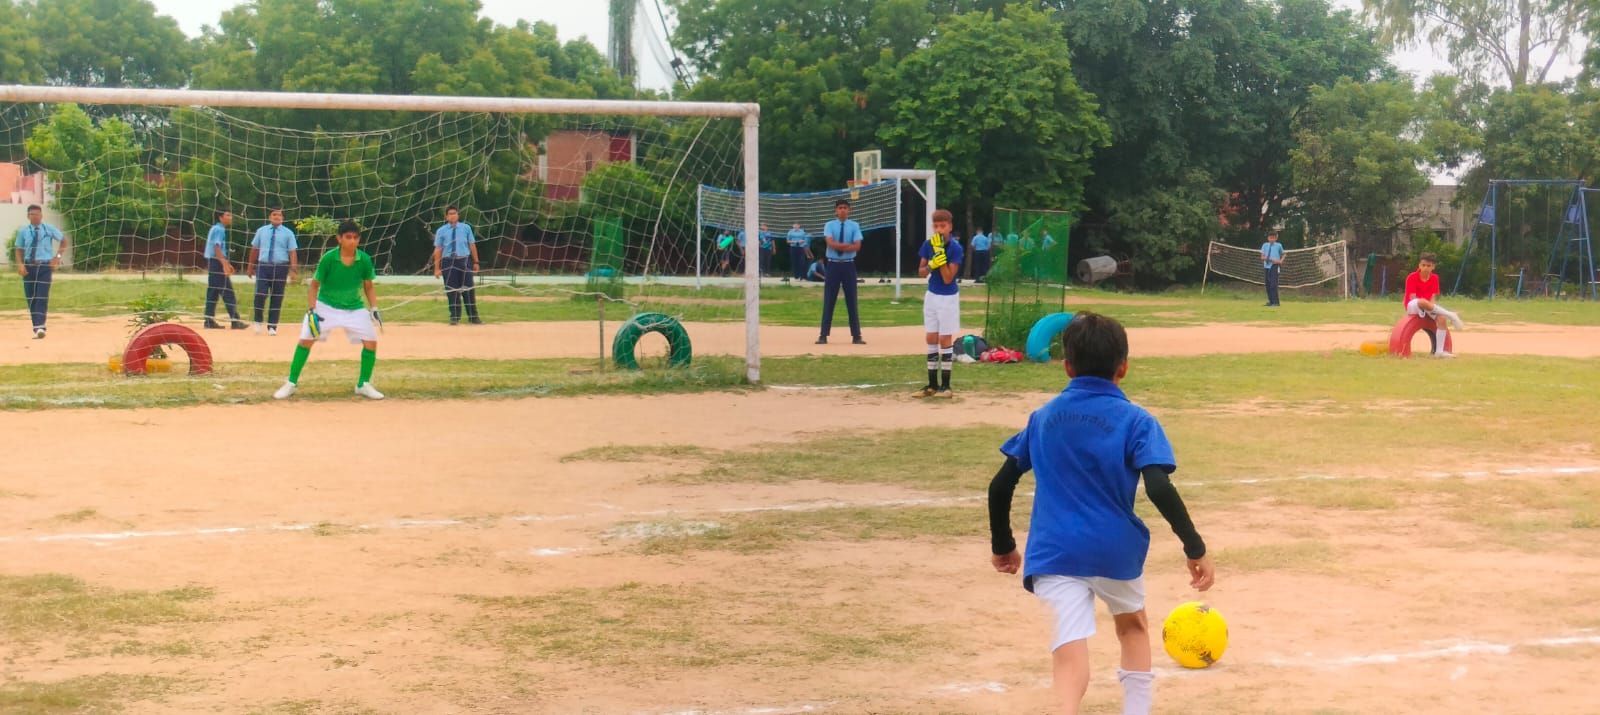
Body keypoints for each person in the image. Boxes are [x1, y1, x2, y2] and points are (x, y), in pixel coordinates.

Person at [988, 312, 1214, 715]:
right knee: (1132, 626)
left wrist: (1004, 545)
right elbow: (1159, 486)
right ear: (1123, 368)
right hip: (1114, 550)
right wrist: (1194, 547)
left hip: (1054, 552)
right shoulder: (1137, 420)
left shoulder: (1042, 418)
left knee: (1069, 646)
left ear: (1067, 366)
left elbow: (1000, 485)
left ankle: (1066, 710)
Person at [273, 220, 384, 401]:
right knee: (306, 340)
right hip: (326, 307)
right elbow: (314, 286)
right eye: (348, 237)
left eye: (356, 238)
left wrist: (374, 308)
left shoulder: (364, 259)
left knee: (371, 342)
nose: (352, 241)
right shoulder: (329, 258)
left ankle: (363, 384)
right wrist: (312, 310)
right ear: (339, 238)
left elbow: (368, 287)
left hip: (354, 307)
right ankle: (291, 383)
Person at [915, 209, 963, 398]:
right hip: (931, 295)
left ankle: (946, 385)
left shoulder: (955, 248)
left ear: (950, 227)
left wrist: (941, 258)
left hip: (948, 297)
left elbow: (948, 278)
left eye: (943, 226)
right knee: (931, 338)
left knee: (945, 339)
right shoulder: (928, 244)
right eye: (936, 226)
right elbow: (920, 271)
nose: (939, 229)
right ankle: (932, 384)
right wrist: (930, 265)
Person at [12, 204, 68, 339]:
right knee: (31, 298)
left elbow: (63, 241)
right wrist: (20, 265)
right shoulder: (24, 231)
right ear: (28, 216)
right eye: (32, 214)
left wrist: (57, 258)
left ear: (41, 216)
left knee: (42, 296)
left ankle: (40, 327)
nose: (35, 216)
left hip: (44, 267)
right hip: (29, 266)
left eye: (37, 214)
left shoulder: (48, 229)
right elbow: (19, 249)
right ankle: (36, 326)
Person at [817, 199, 866, 345]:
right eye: (840, 208)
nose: (842, 210)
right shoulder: (829, 225)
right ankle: (823, 335)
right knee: (829, 300)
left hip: (848, 265)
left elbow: (857, 246)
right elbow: (830, 243)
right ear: (836, 211)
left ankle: (856, 335)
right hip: (833, 265)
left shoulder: (854, 225)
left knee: (852, 300)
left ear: (849, 210)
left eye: (845, 208)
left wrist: (840, 247)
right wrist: (846, 246)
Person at [247, 208, 299, 335]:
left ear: (283, 218)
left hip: (280, 267)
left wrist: (293, 270)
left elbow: (292, 251)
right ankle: (258, 321)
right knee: (260, 294)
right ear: (270, 217)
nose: (277, 217)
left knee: (277, 296)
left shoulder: (288, 233)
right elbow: (255, 248)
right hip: (263, 266)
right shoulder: (261, 231)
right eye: (274, 214)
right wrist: (250, 266)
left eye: (279, 215)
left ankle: (272, 326)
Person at [1403, 252, 1465, 358]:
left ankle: (1439, 352)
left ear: (1433, 267)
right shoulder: (1412, 277)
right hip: (1413, 305)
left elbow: (1432, 299)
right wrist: (1423, 308)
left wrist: (1431, 311)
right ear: (1419, 265)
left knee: (1441, 319)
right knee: (1421, 301)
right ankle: (1451, 315)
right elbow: (1412, 297)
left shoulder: (1434, 278)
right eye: (1423, 265)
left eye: (1428, 266)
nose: (1425, 268)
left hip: (1427, 307)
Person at [432, 205, 483, 325]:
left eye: (454, 213)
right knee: (452, 291)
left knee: (468, 289)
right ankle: (454, 317)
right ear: (446, 216)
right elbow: (438, 249)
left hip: (464, 260)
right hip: (448, 261)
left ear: (458, 215)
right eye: (450, 213)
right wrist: (437, 268)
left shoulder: (466, 228)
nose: (452, 215)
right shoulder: (441, 231)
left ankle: (473, 317)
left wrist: (476, 261)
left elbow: (472, 245)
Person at [201, 211, 248, 330]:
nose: (230, 217)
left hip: (213, 262)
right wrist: (224, 264)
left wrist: (226, 262)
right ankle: (235, 320)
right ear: (220, 217)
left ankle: (208, 320)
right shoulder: (219, 230)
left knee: (213, 292)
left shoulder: (215, 228)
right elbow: (216, 247)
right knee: (228, 292)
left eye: (231, 215)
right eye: (228, 215)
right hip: (216, 262)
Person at [1261, 232, 1284, 307]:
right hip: (1267, 266)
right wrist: (1270, 259)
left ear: (1276, 238)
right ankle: (1271, 301)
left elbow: (1283, 254)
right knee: (1267, 284)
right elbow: (1262, 257)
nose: (1272, 239)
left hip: (1275, 266)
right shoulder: (1265, 245)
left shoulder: (1279, 245)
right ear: (1268, 238)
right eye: (1270, 237)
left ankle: (1276, 302)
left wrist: (1280, 261)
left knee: (1273, 284)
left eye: (1273, 238)